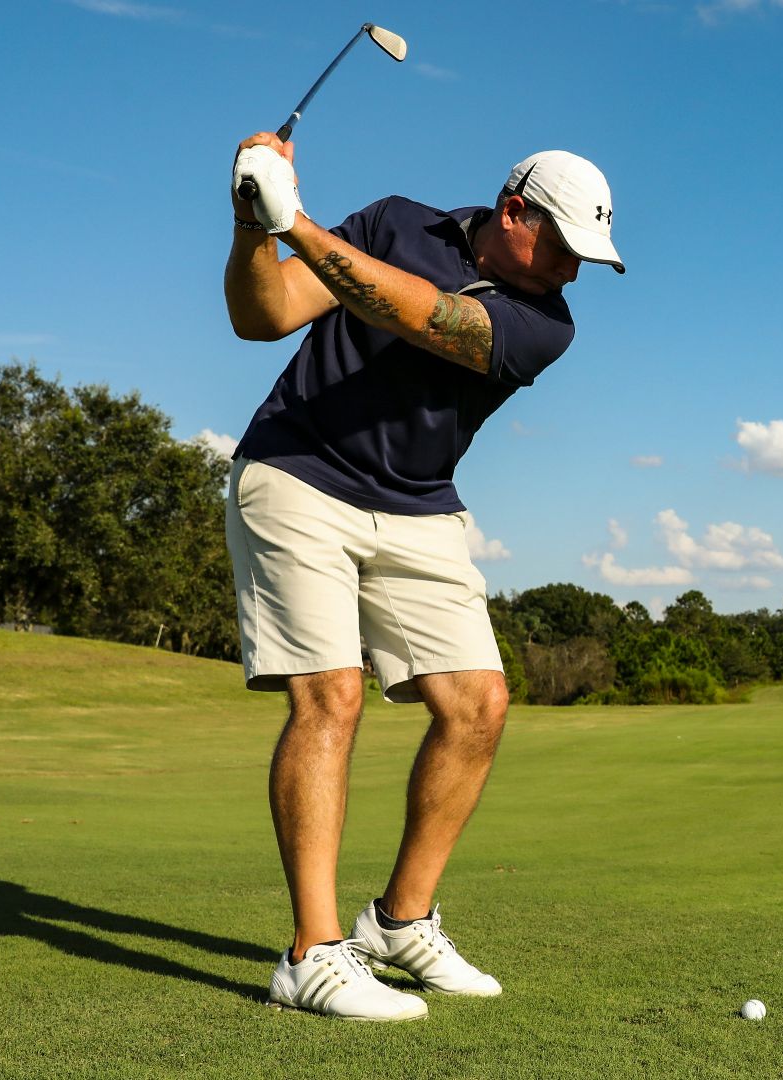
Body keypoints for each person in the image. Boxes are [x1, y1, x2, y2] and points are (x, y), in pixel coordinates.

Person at [221, 131, 623, 1021]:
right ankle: (313, 954)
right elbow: (266, 317)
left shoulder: (546, 324)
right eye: (559, 246)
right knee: (331, 697)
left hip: (417, 504)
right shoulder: (396, 221)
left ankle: (399, 923)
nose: (570, 270)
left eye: (586, 257)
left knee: (477, 703)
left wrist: (299, 223)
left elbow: (427, 319)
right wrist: (256, 227)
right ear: (513, 211)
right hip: (295, 472)